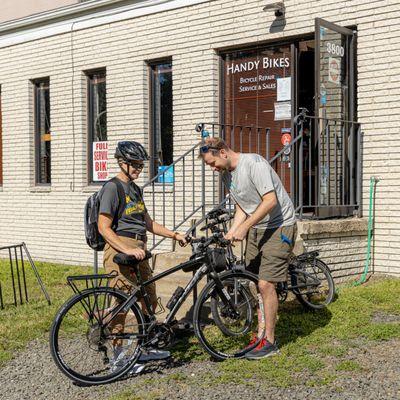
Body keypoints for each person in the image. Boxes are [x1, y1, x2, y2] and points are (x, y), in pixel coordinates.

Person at [199, 137, 297, 359]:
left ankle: (270, 341)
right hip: (257, 227)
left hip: (280, 226)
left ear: (223, 152)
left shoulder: (254, 164)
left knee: (266, 283)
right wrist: (233, 230)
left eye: (212, 163)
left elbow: (270, 201)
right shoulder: (227, 175)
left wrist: (244, 227)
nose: (212, 169)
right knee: (255, 282)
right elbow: (242, 206)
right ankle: (260, 333)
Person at [98, 140, 187, 370]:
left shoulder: (135, 190)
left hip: (140, 249)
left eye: (140, 165)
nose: (138, 169)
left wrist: (173, 235)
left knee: (148, 299)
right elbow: (103, 227)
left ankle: (144, 347)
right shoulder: (112, 188)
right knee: (122, 303)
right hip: (121, 249)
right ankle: (118, 358)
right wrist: (126, 249)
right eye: (135, 165)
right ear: (122, 162)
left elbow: (148, 223)